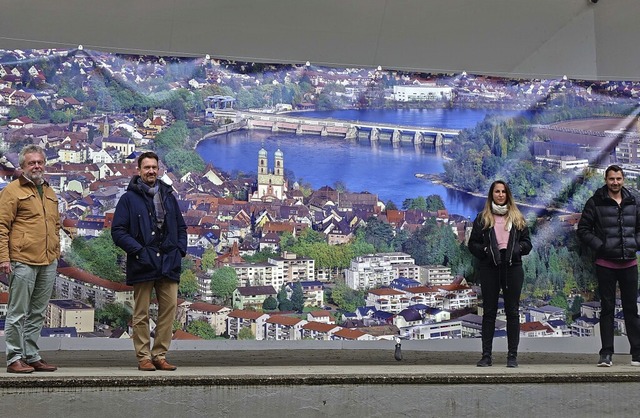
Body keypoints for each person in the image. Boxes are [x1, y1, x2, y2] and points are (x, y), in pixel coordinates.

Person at [111, 151, 187, 371]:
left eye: (154, 167)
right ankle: (143, 356)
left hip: (168, 261)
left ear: (158, 169)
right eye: (147, 168)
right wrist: (139, 251)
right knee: (141, 312)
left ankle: (160, 354)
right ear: (139, 171)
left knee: (169, 309)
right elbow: (118, 231)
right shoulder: (128, 199)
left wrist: (179, 249)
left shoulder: (167, 195)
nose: (151, 171)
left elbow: (181, 227)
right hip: (143, 262)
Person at [0, 145, 60, 374]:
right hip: (22, 260)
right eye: (31, 163)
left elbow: (55, 223)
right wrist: (4, 259)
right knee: (18, 312)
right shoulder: (12, 191)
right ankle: (14, 358)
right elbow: (1, 226)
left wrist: (56, 249)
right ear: (22, 167)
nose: (36, 166)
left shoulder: (49, 191)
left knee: (37, 312)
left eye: (40, 162)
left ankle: (31, 355)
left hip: (48, 260)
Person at [577, 165, 640, 367]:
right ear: (606, 179)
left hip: (629, 263)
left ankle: (637, 354)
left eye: (618, 178)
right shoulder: (595, 202)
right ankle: (606, 354)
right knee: (607, 309)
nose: (615, 182)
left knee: (631, 310)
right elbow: (583, 230)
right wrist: (600, 246)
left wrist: (635, 244)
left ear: (623, 180)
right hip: (605, 264)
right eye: (611, 178)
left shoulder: (633, 201)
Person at [468, 180, 532, 368]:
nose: (500, 194)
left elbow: (528, 243)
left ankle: (512, 356)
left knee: (512, 312)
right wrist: (485, 251)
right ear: (492, 194)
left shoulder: (518, 218)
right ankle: (486, 355)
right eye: (497, 191)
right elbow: (473, 244)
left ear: (508, 195)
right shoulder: (482, 218)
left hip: (512, 266)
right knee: (489, 312)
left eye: (504, 191)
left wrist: (518, 249)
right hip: (490, 267)